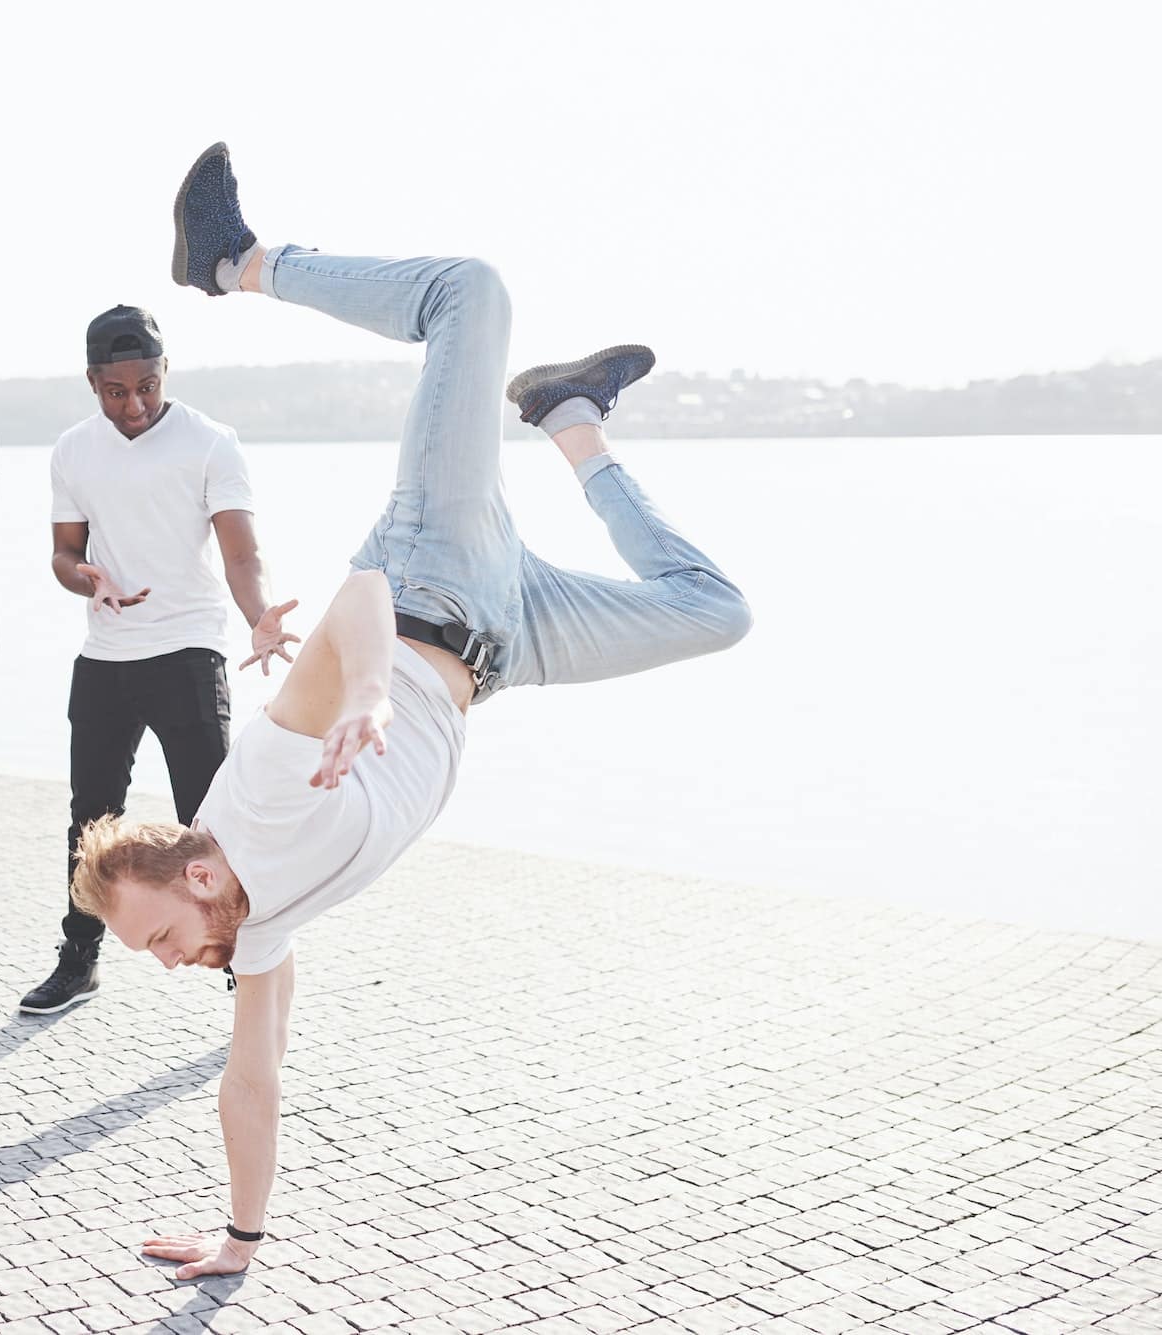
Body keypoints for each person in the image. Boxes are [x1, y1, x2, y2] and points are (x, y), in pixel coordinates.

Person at [72, 144, 753, 1276]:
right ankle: (570, 418)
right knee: (714, 612)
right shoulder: (256, 923)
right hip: (510, 641)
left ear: (193, 877)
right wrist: (238, 1243)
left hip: (432, 576)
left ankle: (234, 259)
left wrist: (371, 695)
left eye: (153, 940)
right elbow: (253, 1078)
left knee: (466, 294)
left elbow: (359, 597)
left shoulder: (258, 797)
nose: (162, 962)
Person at [17, 305, 296, 1015]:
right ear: (92, 383)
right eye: (117, 391)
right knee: (91, 819)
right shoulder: (74, 450)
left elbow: (241, 552)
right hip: (106, 654)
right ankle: (79, 959)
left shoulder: (210, 442)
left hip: (188, 650)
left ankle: (245, 961)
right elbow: (63, 553)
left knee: (210, 820)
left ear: (164, 371)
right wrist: (86, 578)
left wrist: (257, 614)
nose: (135, 403)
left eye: (147, 385)